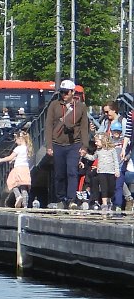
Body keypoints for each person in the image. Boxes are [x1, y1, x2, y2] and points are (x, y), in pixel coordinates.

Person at [46, 79, 89, 209]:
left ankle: (71, 200)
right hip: (57, 144)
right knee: (59, 174)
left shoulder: (81, 107)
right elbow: (48, 125)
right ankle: (61, 199)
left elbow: (84, 127)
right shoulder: (54, 105)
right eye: (62, 92)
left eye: (66, 92)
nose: (64, 94)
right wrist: (49, 145)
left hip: (74, 144)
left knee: (72, 172)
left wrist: (85, 146)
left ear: (73, 92)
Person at [0, 129, 32, 209]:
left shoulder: (18, 148)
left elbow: (10, 157)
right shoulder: (27, 148)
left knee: (11, 182)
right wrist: (14, 159)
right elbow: (22, 158)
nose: (15, 142)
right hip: (25, 169)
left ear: (20, 139)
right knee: (24, 187)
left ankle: (18, 196)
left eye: (16, 140)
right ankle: (25, 205)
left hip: (18, 168)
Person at [91, 131, 120, 214]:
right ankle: (104, 204)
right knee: (104, 188)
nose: (95, 143)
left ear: (103, 140)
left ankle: (109, 200)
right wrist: (85, 155)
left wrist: (117, 170)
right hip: (101, 172)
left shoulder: (112, 150)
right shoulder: (98, 151)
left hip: (111, 172)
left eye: (97, 141)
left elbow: (116, 160)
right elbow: (93, 158)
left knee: (111, 188)